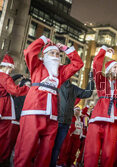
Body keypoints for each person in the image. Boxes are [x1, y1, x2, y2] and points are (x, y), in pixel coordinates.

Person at [14, 35, 84, 167]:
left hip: (52, 115)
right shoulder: (36, 65)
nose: (55, 55)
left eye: (58, 54)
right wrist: (44, 40)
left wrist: (65, 48)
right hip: (33, 111)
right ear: (44, 55)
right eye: (52, 52)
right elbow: (29, 51)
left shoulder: (61, 72)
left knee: (46, 152)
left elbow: (78, 64)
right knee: (26, 148)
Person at [84, 47, 117, 167]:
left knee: (109, 152)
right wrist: (103, 51)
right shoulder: (100, 79)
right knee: (92, 151)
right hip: (98, 116)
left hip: (114, 119)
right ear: (108, 69)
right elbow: (96, 65)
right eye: (115, 67)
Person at [50, 79, 94, 167]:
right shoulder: (59, 85)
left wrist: (91, 80)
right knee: (54, 147)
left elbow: (87, 93)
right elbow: (87, 93)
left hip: (61, 121)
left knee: (54, 147)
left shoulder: (67, 87)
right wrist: (91, 80)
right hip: (57, 120)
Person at [0, 54, 30, 165]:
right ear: (7, 67)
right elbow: (15, 91)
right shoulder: (4, 77)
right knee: (3, 135)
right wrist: (27, 88)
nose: (12, 69)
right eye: (11, 67)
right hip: (4, 107)